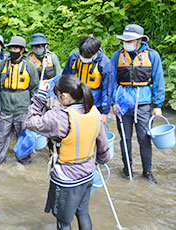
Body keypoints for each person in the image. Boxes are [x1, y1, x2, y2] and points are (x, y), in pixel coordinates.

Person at [25, 75, 110, 230]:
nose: (57, 101)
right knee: (83, 213)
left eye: (57, 97)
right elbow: (103, 146)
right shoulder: (94, 112)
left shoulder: (59, 117)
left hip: (66, 179)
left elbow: (30, 122)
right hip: (88, 174)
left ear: (63, 96)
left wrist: (40, 97)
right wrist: (101, 161)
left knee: (63, 221)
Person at [111, 24, 165, 184]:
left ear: (140, 40)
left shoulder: (152, 56)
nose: (126, 43)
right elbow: (112, 81)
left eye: (130, 40)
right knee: (124, 138)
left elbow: (158, 81)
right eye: (124, 40)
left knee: (144, 138)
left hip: (143, 104)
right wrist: (114, 103)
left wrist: (158, 105)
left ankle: (147, 172)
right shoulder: (117, 56)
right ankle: (127, 170)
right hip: (122, 104)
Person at [0, 36, 39, 171]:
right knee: (0, 137)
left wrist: (34, 111)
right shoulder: (2, 65)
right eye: (11, 48)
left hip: (23, 109)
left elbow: (35, 90)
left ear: (22, 51)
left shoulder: (30, 67)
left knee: (24, 137)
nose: (13, 51)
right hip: (5, 109)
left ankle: (23, 161)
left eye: (16, 48)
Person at [63, 35, 114, 123]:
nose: (84, 58)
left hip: (94, 103)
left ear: (97, 52)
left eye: (87, 57)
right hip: (74, 100)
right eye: (82, 55)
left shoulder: (105, 64)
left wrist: (104, 113)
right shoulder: (74, 57)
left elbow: (108, 90)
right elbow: (66, 76)